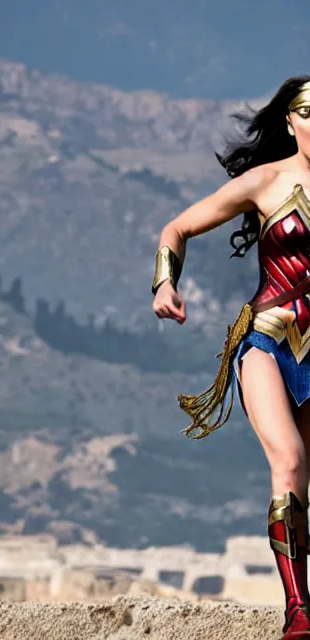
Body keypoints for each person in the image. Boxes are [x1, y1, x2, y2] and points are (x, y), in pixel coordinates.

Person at [152, 76, 310, 639]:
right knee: (288, 460)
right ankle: (298, 609)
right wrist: (164, 284)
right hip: (266, 340)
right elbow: (178, 226)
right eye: (308, 112)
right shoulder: (264, 182)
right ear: (290, 121)